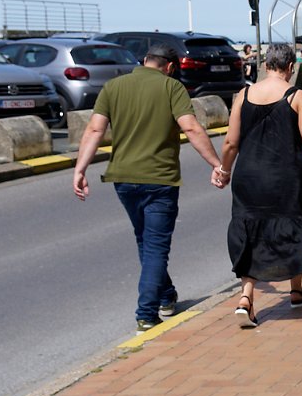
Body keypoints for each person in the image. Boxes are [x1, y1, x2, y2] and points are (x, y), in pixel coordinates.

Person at [71, 42, 225, 331]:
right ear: (170, 67)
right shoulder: (171, 87)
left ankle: (166, 295)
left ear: (144, 60)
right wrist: (216, 163)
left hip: (123, 179)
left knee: (145, 240)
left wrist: (80, 169)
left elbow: (94, 129)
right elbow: (191, 127)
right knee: (155, 246)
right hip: (159, 180)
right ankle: (146, 313)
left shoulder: (114, 87)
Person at [214, 44, 302, 328]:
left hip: (248, 176)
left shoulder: (243, 95)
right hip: (287, 177)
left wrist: (224, 170)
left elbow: (231, 142)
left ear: (266, 65)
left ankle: (246, 298)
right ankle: (296, 290)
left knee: (249, 229)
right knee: (292, 226)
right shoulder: (298, 96)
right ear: (291, 67)